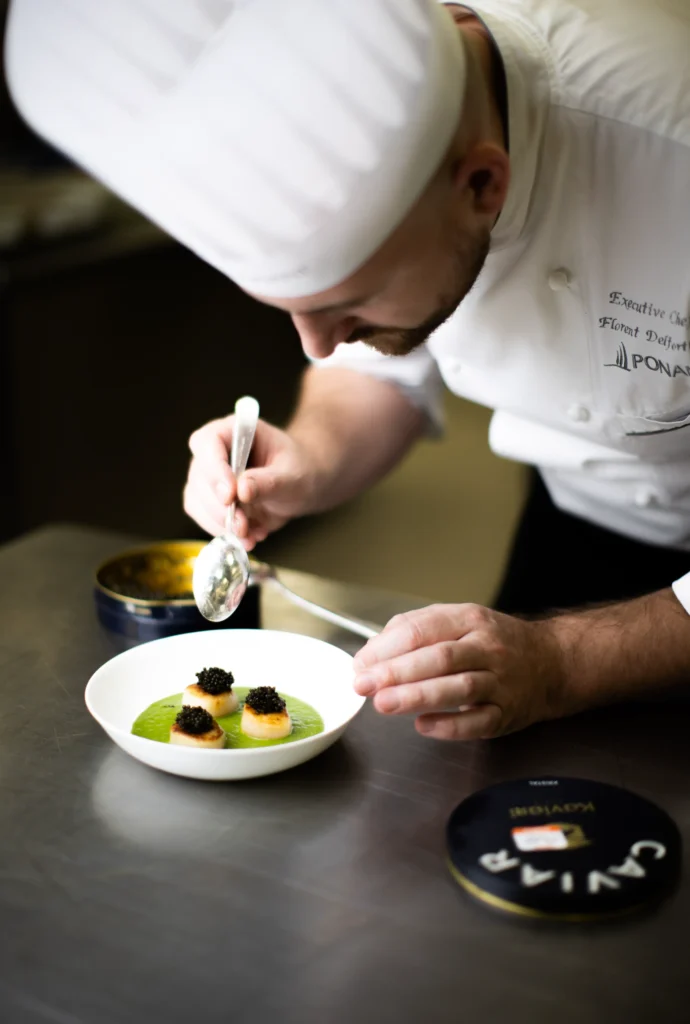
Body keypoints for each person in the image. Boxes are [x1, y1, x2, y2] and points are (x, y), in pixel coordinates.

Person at [7, 0, 690, 742]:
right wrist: (312, 457)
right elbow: (383, 366)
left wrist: (560, 665)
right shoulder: (390, 120)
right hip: (576, 518)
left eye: (351, 306)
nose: (319, 347)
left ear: (482, 187)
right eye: (295, 310)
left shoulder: (671, 152)